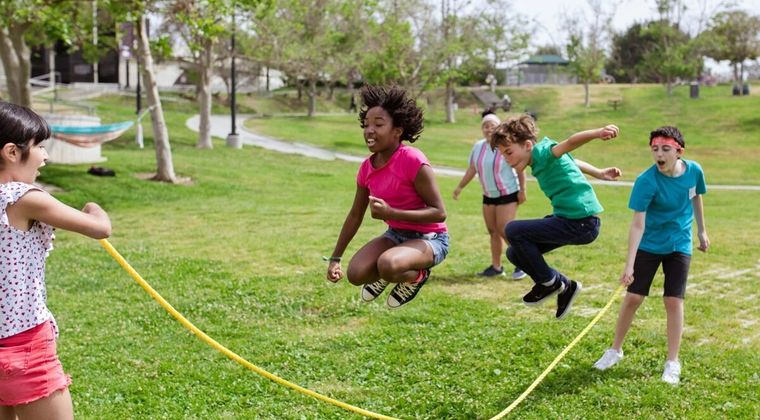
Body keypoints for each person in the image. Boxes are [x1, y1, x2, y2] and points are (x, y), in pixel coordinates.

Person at [0, 102, 112, 418]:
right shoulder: (24, 198)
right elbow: (100, 228)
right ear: (12, 152)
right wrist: (92, 206)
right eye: (39, 146)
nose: (45, 156)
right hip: (24, 347)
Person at [593, 126, 709, 385]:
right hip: (650, 243)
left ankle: (672, 362)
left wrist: (702, 231)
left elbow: (696, 197)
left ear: (679, 151)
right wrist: (629, 265)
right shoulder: (646, 181)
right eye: (655, 149)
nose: (659, 154)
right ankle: (615, 350)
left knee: (673, 301)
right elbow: (637, 225)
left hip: (679, 243)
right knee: (633, 297)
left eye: (665, 149)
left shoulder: (694, 172)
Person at [326, 85, 448, 309]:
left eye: (378, 124)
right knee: (356, 274)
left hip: (431, 239)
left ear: (397, 130)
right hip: (395, 236)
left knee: (388, 264)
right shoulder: (366, 168)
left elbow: (439, 212)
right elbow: (355, 215)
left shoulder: (412, 160)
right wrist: (335, 258)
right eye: (366, 125)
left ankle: (416, 277)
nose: (369, 130)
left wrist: (391, 213)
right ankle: (387, 274)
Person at [490, 114, 621, 319]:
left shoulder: (543, 152)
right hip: (569, 220)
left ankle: (550, 282)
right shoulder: (540, 159)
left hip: (581, 222)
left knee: (512, 229)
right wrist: (599, 172)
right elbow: (571, 160)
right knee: (515, 253)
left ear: (527, 145)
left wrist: (598, 133)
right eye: (503, 156)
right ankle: (565, 286)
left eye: (509, 152)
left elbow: (570, 143)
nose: (506, 160)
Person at [453, 111, 527, 279]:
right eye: (485, 126)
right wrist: (460, 187)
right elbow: (472, 169)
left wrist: (523, 190)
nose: (488, 129)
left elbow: (519, 167)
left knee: (505, 230)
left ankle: (522, 264)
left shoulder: (505, 145)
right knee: (493, 231)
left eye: (492, 125)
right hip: (488, 195)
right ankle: (496, 267)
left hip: (507, 193)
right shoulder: (478, 146)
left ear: (498, 127)